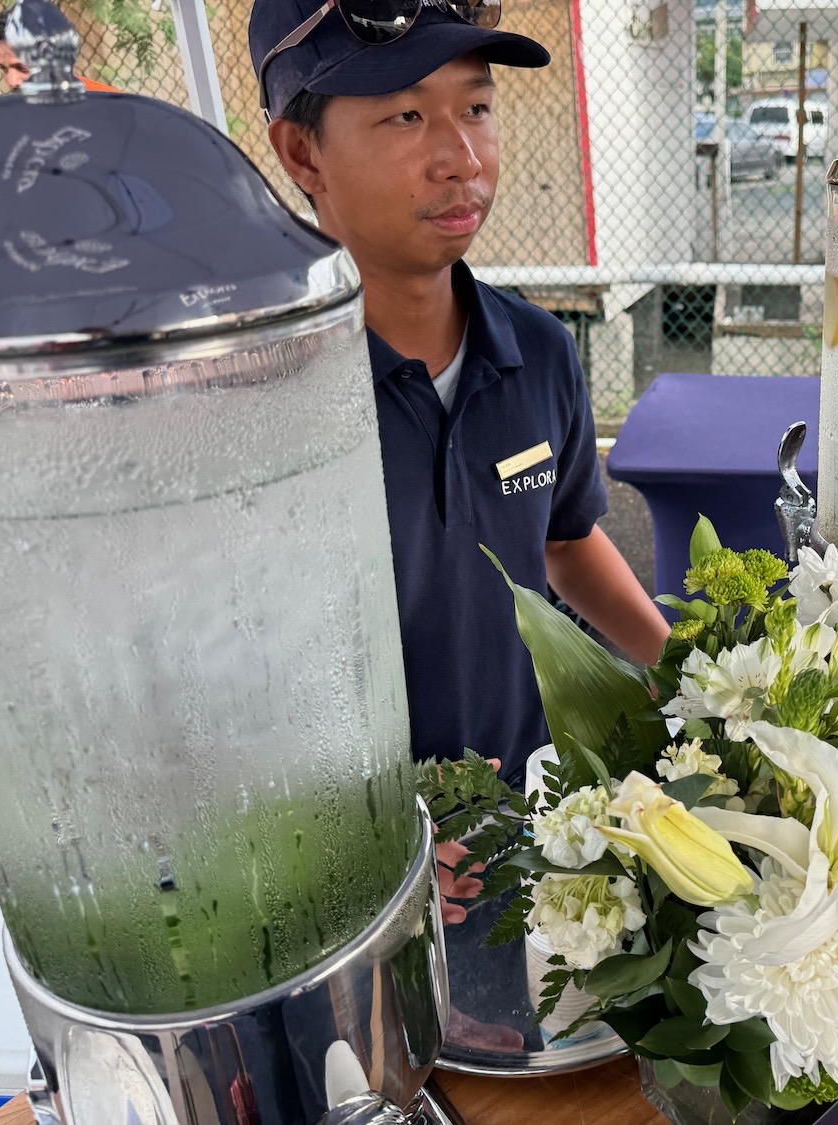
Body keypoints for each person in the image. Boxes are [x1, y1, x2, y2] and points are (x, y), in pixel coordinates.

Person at [246, 0, 671, 790]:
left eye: (476, 107)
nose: (462, 157)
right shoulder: (263, 402)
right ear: (303, 153)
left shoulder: (539, 352)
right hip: (373, 858)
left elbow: (564, 542)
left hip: (544, 818)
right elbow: (246, 672)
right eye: (406, 115)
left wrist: (682, 673)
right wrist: (373, 832)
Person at [0, 10, 118, 92]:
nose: (11, 81)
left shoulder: (114, 110)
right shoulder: (7, 119)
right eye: (4, 69)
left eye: (23, 68)